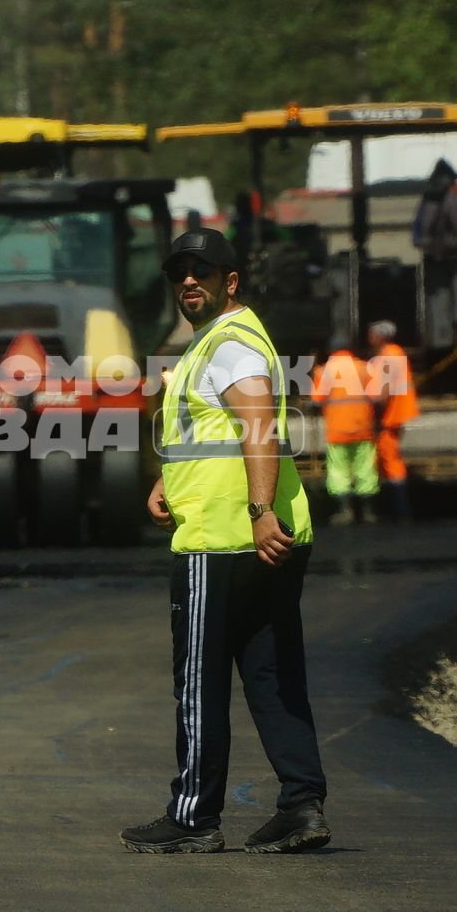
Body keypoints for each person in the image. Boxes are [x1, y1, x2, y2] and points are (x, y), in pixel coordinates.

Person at [123, 227, 328, 855]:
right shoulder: (218, 342)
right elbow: (207, 438)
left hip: (226, 543)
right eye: (180, 272)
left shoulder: (230, 346)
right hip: (252, 536)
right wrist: (167, 486)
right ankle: (301, 805)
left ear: (229, 282)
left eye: (203, 272)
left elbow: (259, 429)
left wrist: (261, 511)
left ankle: (194, 815)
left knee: (199, 681)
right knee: (272, 677)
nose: (189, 281)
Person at [313, 335, 378, 525]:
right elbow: (375, 396)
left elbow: (317, 399)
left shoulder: (324, 371)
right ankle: (368, 512)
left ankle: (346, 511)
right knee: (365, 468)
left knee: (339, 470)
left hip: (337, 430)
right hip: (363, 428)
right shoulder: (365, 368)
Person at [412, 158, 457, 351]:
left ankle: (440, 343)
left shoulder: (426, 200)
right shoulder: (450, 200)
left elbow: (418, 237)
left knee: (437, 309)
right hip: (452, 262)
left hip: (432, 261)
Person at [366, 321, 417, 522]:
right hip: (394, 414)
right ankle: (396, 506)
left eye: (372, 333)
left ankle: (400, 508)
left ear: (380, 335)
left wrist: (375, 411)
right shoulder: (395, 352)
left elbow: (384, 390)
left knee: (390, 459)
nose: (369, 337)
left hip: (389, 415)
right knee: (385, 458)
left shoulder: (389, 355)